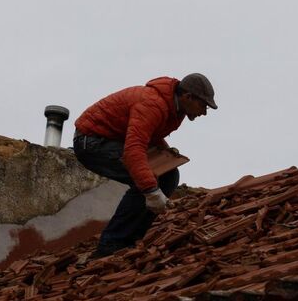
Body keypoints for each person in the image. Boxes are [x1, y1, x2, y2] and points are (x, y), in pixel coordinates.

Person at [73, 73, 217, 257]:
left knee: (169, 175)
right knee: (144, 180)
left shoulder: (175, 109)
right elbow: (134, 149)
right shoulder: (152, 104)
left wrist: (165, 152)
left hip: (113, 141)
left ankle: (132, 239)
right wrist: (151, 191)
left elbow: (149, 134)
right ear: (187, 97)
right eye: (203, 105)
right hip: (91, 142)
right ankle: (111, 244)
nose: (204, 112)